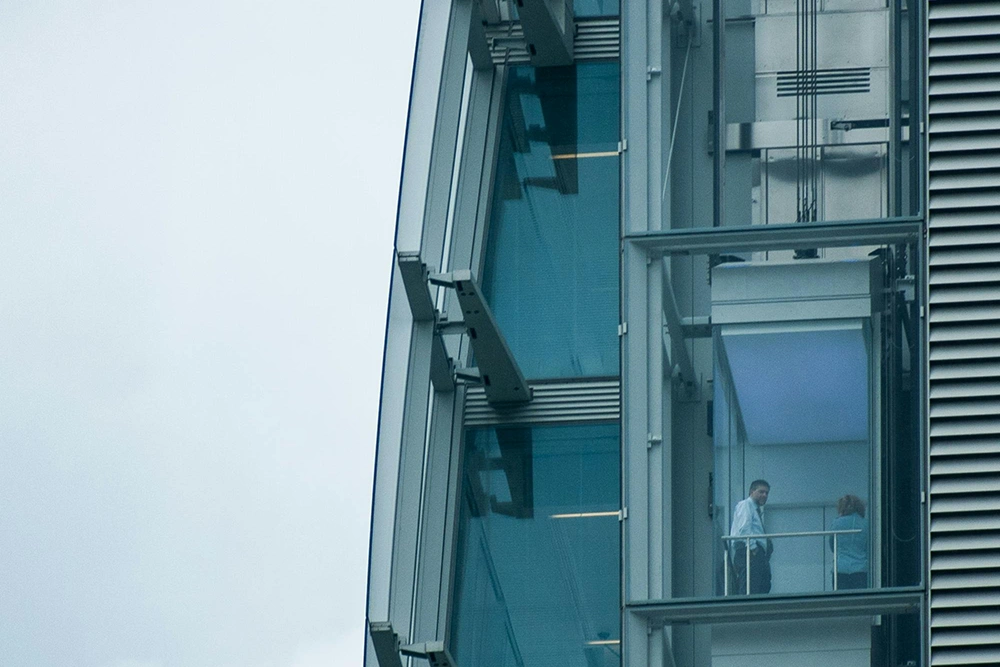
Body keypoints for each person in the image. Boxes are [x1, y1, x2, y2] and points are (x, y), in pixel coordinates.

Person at [730, 479, 772, 594]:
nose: (764, 495)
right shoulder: (745, 505)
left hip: (756, 553)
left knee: (762, 585)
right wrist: (754, 549)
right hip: (749, 551)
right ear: (752, 492)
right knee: (750, 586)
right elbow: (744, 529)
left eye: (767, 493)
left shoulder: (756, 509)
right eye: (761, 492)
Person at [830, 494, 868, 590]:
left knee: (841, 598)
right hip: (860, 569)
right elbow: (869, 547)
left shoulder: (836, 523)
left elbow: (832, 546)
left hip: (840, 569)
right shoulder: (865, 523)